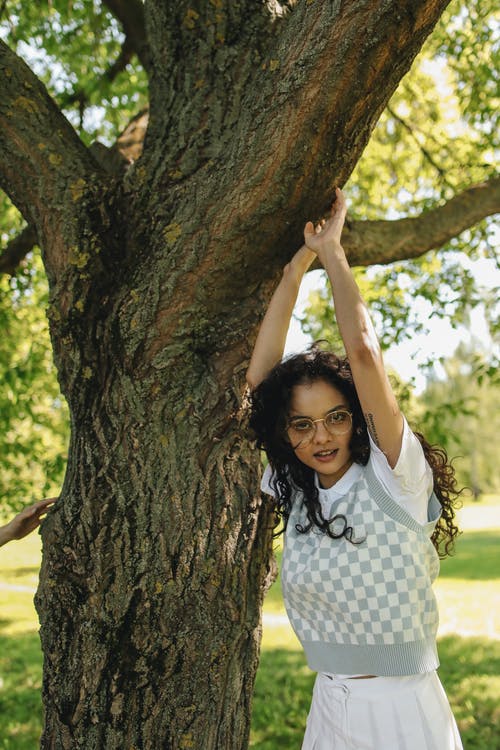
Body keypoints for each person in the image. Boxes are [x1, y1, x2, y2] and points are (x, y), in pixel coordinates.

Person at [247, 188, 463, 750]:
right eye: (301, 424)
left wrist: (331, 253)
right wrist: (295, 271)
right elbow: (259, 389)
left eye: (337, 417)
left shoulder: (396, 477)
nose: (320, 436)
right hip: (330, 705)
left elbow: (363, 353)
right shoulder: (295, 491)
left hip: (404, 709)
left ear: (358, 419)